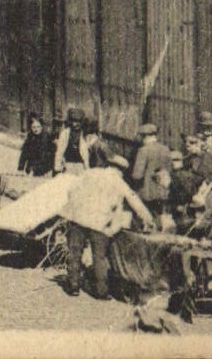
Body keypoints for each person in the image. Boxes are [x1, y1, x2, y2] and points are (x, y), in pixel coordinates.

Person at [62, 153, 154, 299]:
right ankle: (101, 292)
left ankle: (73, 286)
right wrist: (148, 219)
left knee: (75, 253)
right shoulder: (118, 182)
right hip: (99, 223)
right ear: (120, 170)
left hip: (77, 218)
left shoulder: (89, 173)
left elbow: (71, 190)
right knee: (99, 257)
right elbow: (134, 201)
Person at [131, 122, 173, 217]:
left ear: (144, 136)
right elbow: (170, 169)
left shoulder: (143, 150)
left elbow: (137, 175)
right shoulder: (165, 149)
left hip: (148, 193)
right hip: (164, 191)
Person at [17, 112, 55, 177]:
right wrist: (21, 168)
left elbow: (50, 155)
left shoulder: (47, 138)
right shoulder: (30, 138)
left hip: (44, 169)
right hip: (31, 169)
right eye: (33, 127)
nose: (36, 129)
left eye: (38, 127)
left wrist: (51, 169)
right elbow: (24, 153)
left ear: (41, 127)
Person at [54, 107, 90, 173]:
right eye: (74, 121)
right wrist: (57, 167)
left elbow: (86, 154)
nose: (76, 124)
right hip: (68, 165)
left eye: (79, 122)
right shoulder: (65, 133)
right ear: (70, 122)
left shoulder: (84, 134)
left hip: (81, 166)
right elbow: (60, 151)